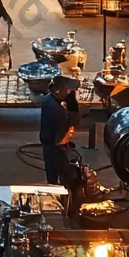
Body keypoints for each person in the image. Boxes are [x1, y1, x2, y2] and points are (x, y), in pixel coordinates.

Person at [40, 74, 83, 214]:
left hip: (48, 144)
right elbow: (63, 134)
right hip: (56, 147)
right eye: (68, 91)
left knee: (51, 175)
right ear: (59, 90)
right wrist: (73, 109)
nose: (70, 93)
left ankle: (53, 199)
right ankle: (68, 207)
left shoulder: (47, 100)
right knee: (69, 177)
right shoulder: (59, 111)